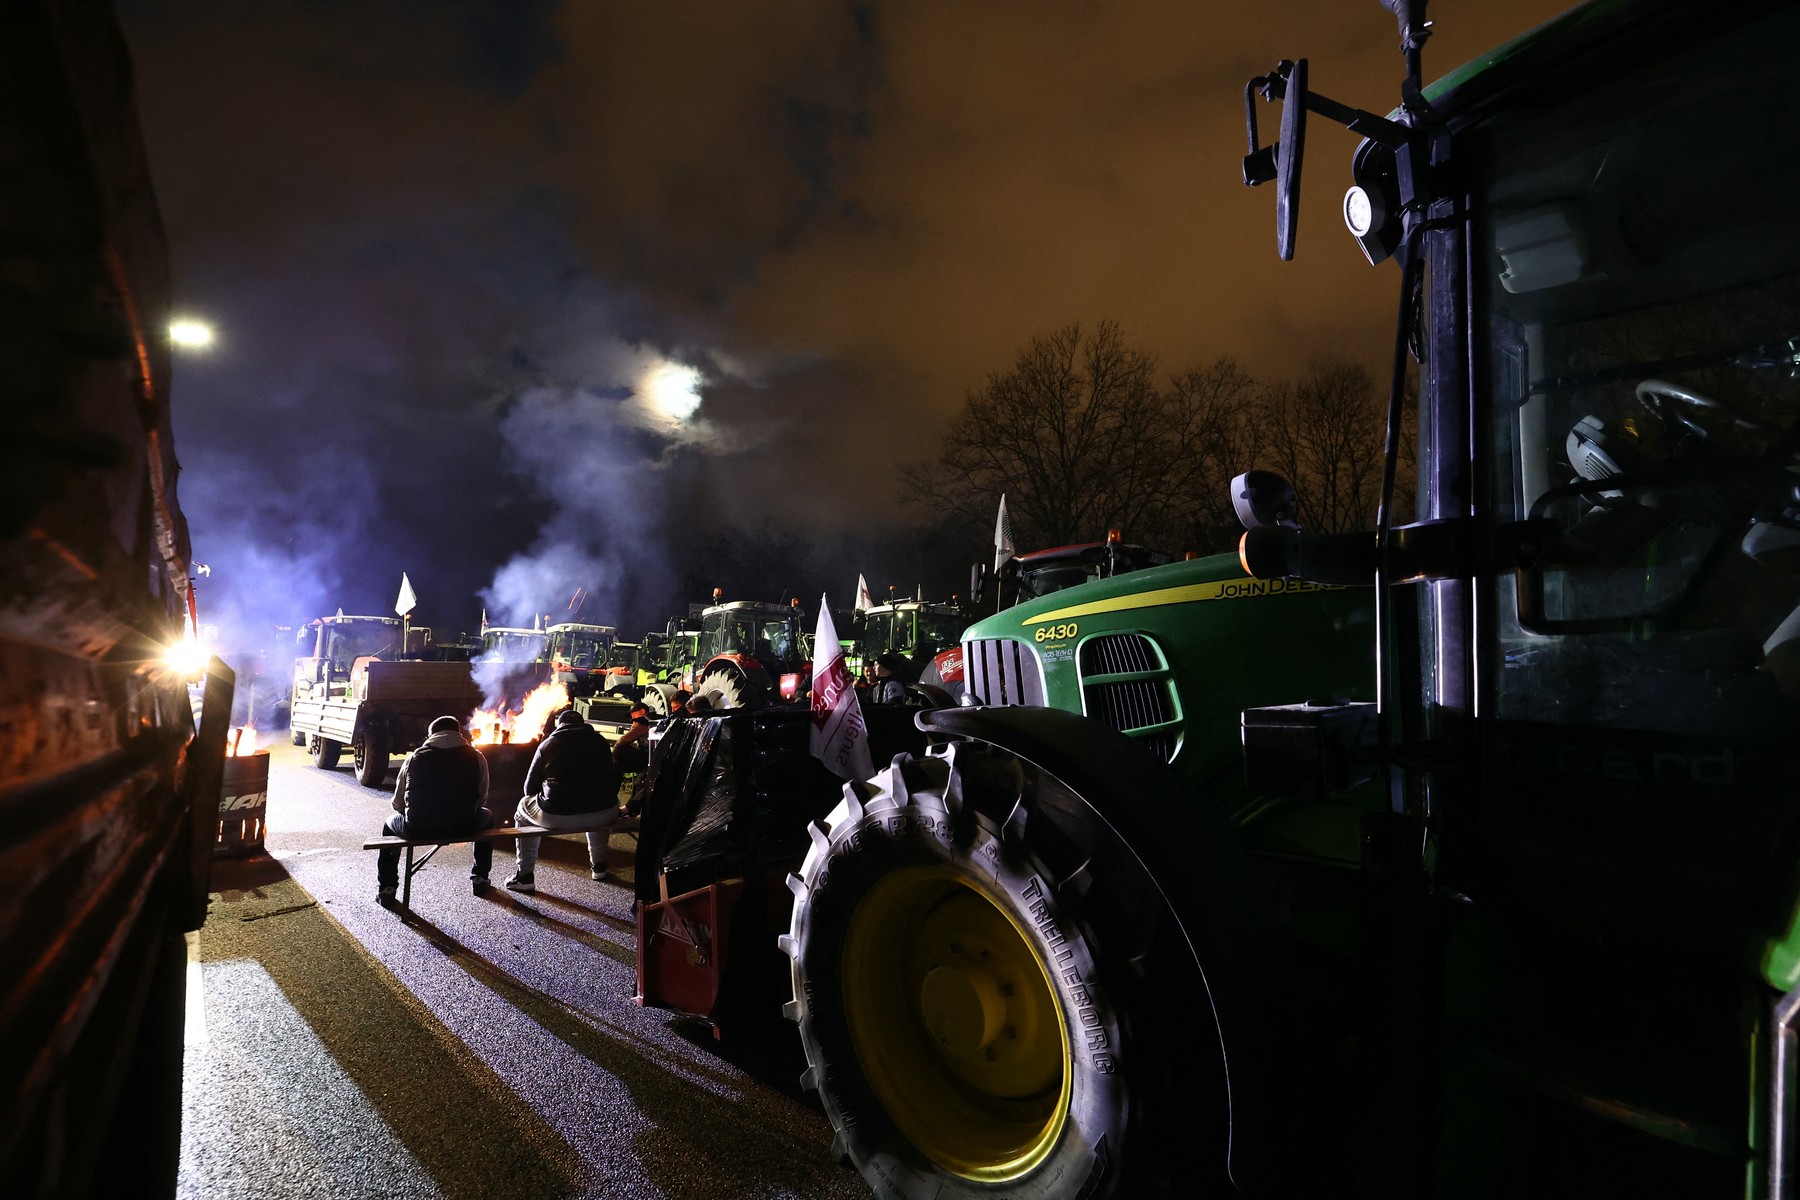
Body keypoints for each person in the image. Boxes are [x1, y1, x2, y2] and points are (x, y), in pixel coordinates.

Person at [376, 714, 494, 907]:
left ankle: (387, 887)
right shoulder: (477, 756)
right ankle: (480, 878)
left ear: (431, 735)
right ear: (458, 733)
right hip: (464, 826)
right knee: (487, 816)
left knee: (389, 825)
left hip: (418, 827)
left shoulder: (414, 758)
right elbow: (482, 797)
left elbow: (397, 803)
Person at [506, 709, 621, 892]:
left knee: (522, 808)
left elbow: (529, 788)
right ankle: (599, 866)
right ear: (583, 724)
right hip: (604, 813)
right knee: (596, 800)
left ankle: (524, 876)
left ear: (560, 726)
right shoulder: (600, 742)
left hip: (558, 814)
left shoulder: (548, 744)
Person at [611, 700, 652, 775]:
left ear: (642, 711)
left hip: (648, 758)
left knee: (619, 750)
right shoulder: (654, 720)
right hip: (654, 756)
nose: (632, 719)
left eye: (634, 718)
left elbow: (623, 740)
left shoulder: (642, 722)